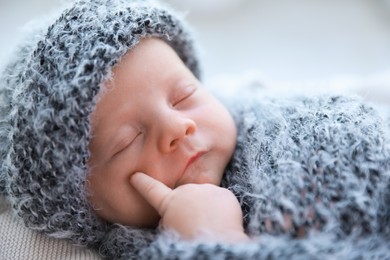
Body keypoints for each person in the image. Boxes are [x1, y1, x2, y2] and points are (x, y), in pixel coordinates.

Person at [0, 0, 389, 259]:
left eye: (184, 95)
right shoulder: (161, 243)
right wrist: (214, 240)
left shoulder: (247, 103)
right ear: (81, 207)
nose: (179, 126)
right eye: (127, 141)